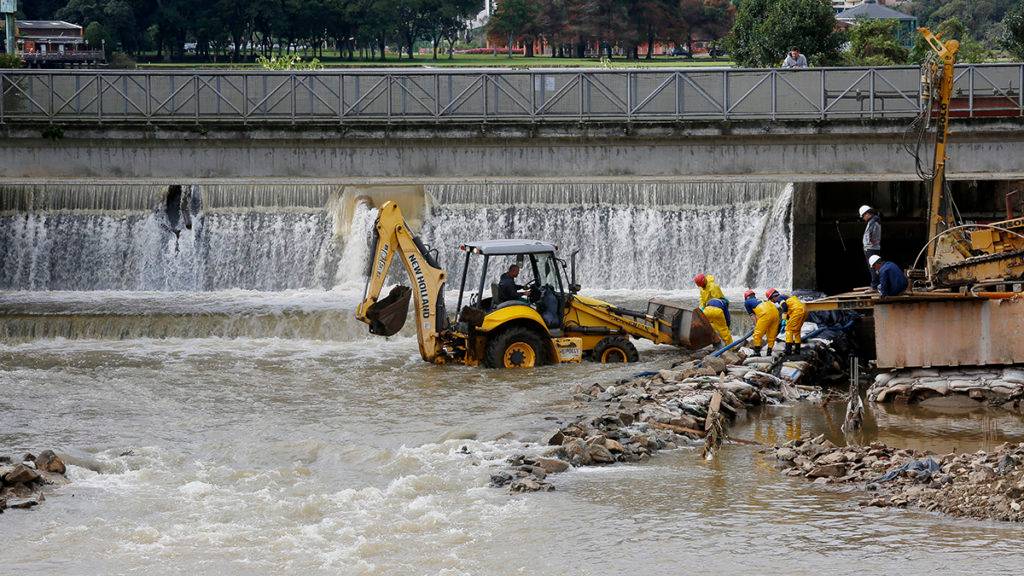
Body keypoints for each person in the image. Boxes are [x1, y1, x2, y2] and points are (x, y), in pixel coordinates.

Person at [766, 288, 806, 356]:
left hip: (797, 311)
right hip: (803, 309)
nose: (772, 302)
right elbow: (789, 309)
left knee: (789, 329)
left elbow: (784, 307)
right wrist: (787, 318)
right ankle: (797, 350)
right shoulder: (785, 296)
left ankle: (788, 351)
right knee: (796, 331)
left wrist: (784, 320)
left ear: (773, 296)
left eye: (771, 299)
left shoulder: (779, 298)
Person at [744, 289, 780, 357]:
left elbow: (753, 316)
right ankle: (769, 352)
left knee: (757, 334)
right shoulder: (761, 300)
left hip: (765, 313)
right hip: (775, 312)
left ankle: (757, 352)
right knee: (771, 334)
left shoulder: (747, 302)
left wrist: (757, 326)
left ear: (746, 297)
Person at [860, 205, 881, 290]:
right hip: (873, 248)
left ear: (867, 213)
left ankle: (874, 286)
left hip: (871, 249)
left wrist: (868, 244)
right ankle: (877, 284)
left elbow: (869, 236)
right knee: (875, 267)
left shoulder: (873, 222)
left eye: (863, 216)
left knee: (873, 267)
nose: (863, 218)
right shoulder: (874, 221)